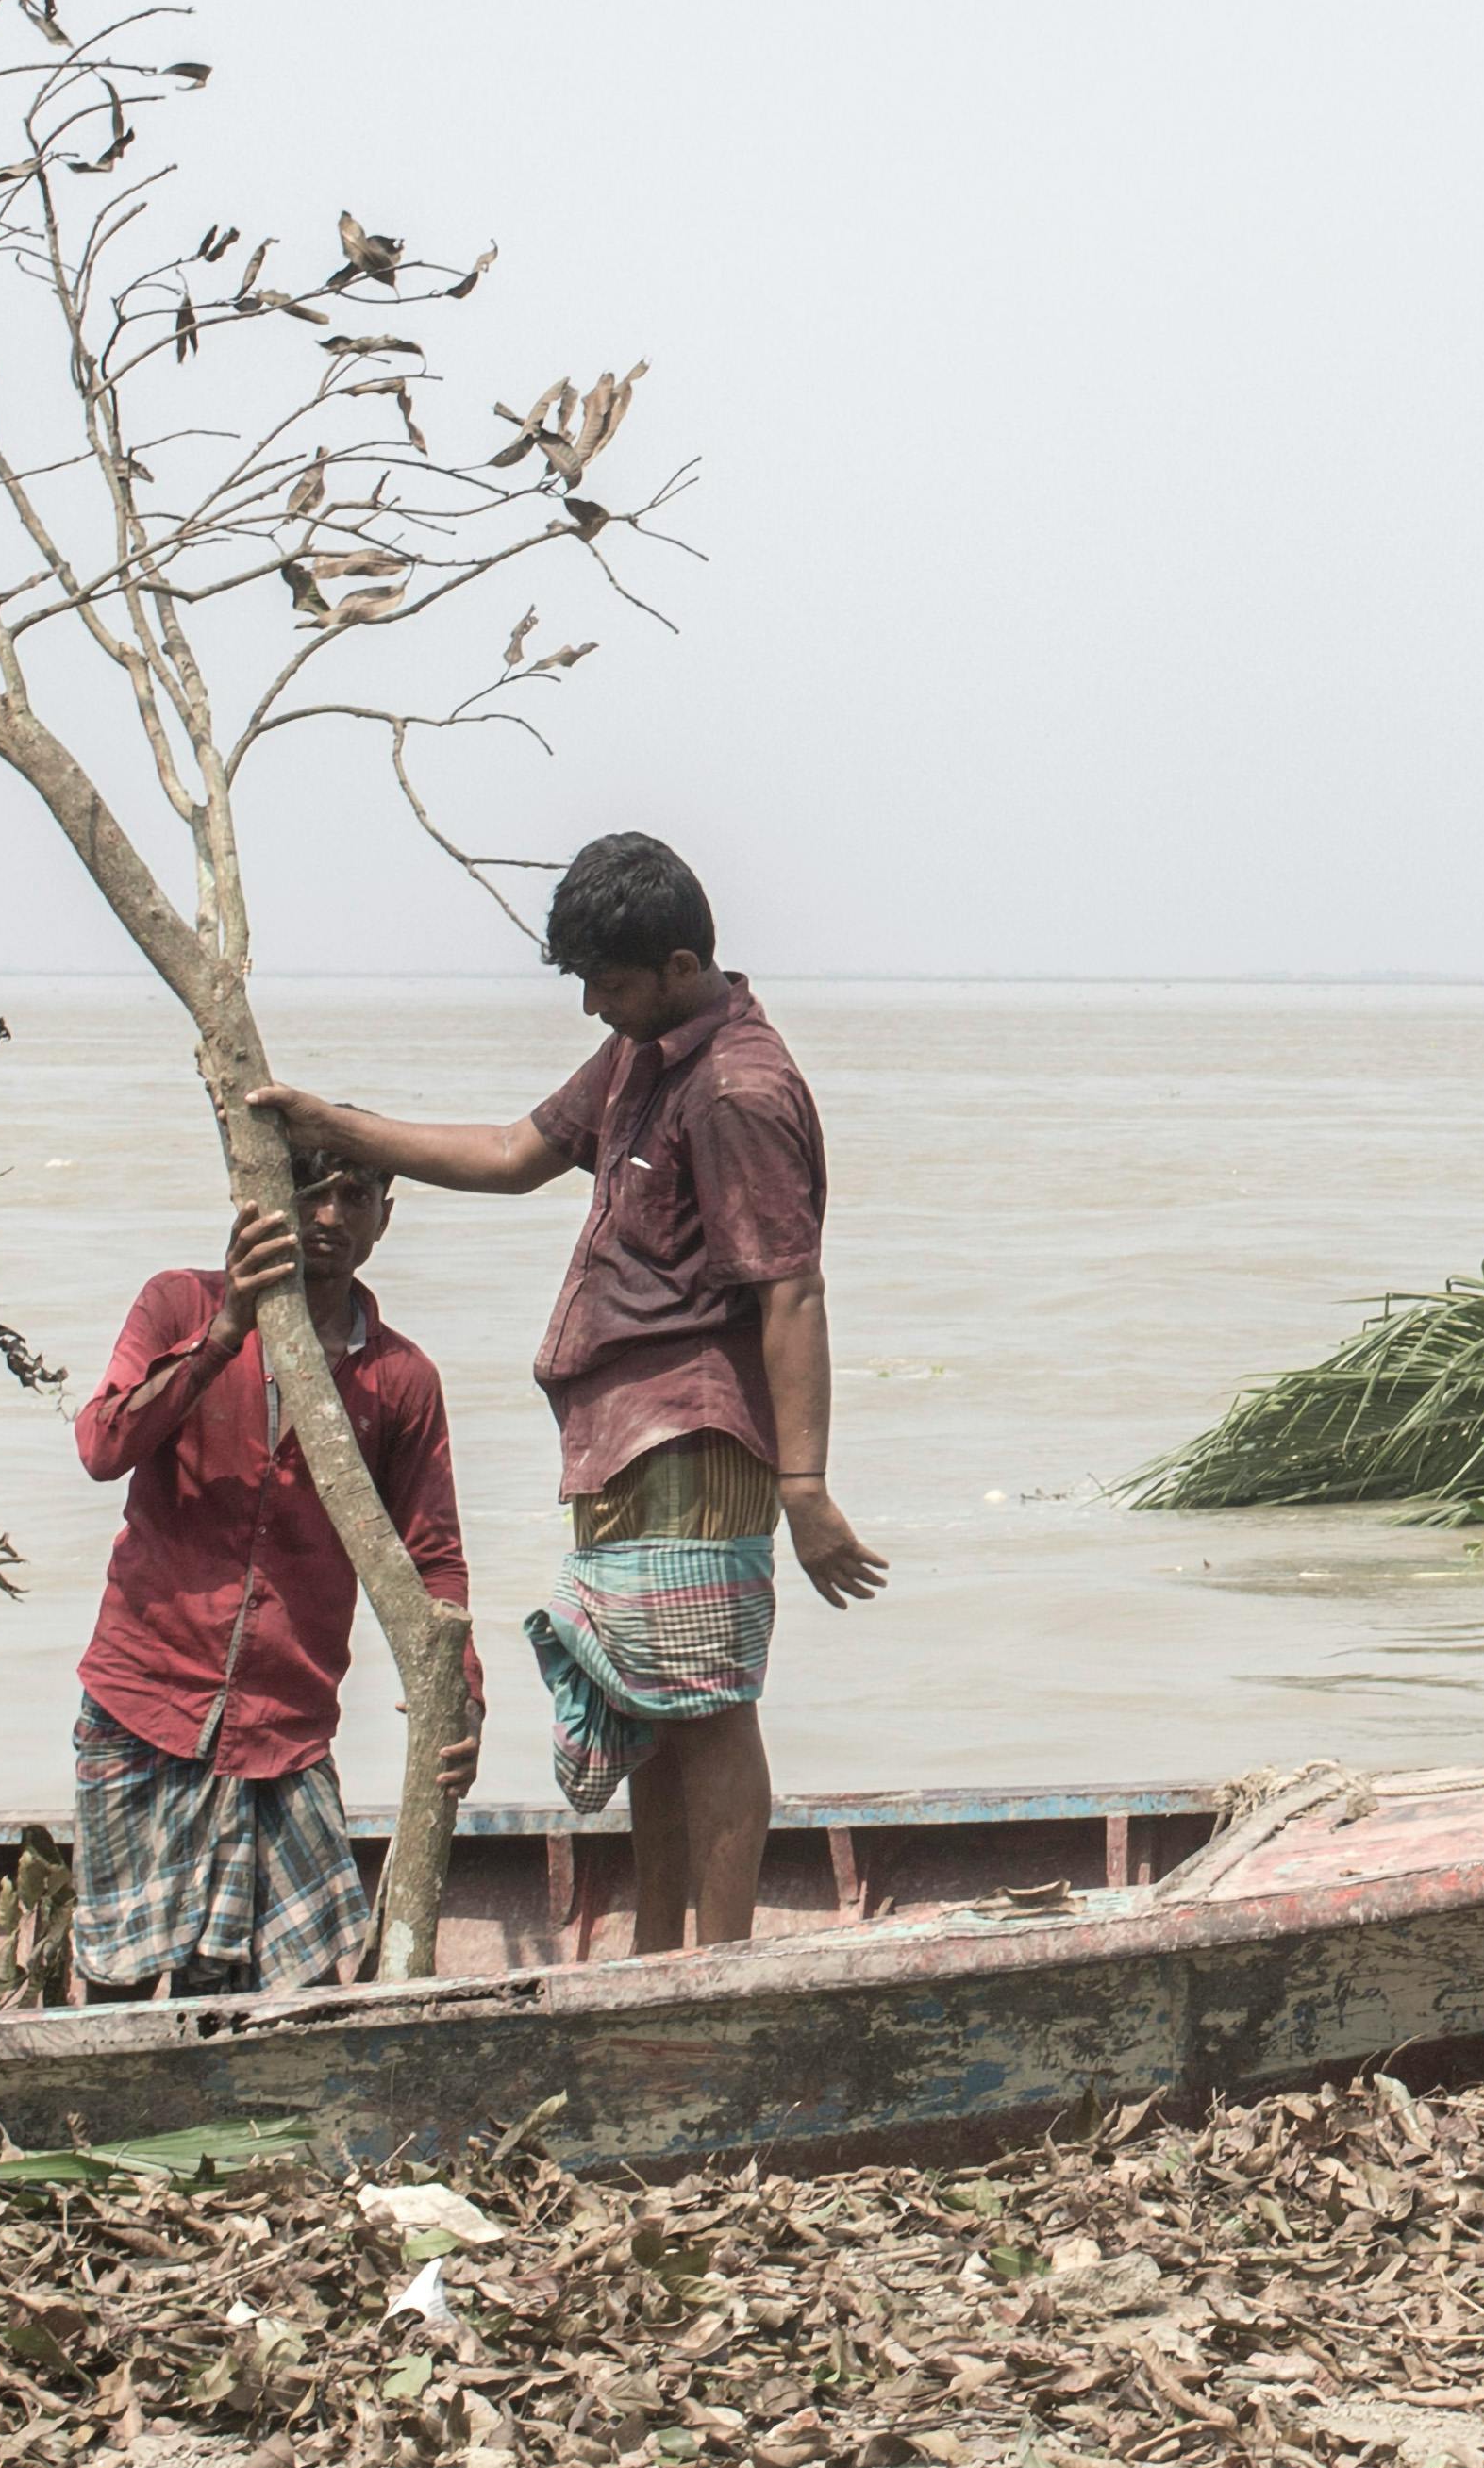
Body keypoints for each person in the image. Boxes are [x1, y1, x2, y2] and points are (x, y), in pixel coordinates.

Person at [261, 830, 887, 1957]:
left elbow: (791, 1292)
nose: (593, 1003)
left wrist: (806, 1485)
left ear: (683, 963)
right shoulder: (643, 1052)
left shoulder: (737, 1086)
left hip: (695, 1429)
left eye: (610, 980)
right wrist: (333, 1123)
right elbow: (512, 1151)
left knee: (709, 1701)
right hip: (619, 1431)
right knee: (646, 1698)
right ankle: (654, 1953)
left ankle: (722, 1961)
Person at [64, 1152, 467, 2002]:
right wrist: (224, 1333)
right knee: (119, 1985)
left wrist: (457, 1698)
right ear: (258, 1200)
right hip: (145, 1699)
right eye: (304, 1192)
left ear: (383, 1219)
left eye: (353, 1197)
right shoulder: (181, 1302)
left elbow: (431, 1554)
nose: (326, 1217)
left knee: (263, 1995)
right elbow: (103, 1445)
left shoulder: (399, 1379)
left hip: (283, 1730)